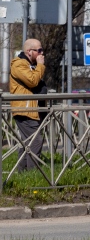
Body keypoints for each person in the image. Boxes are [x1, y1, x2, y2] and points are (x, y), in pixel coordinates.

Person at [9, 38, 47, 172]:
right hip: (24, 109)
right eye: (39, 50)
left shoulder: (31, 65)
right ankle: (34, 174)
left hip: (32, 109)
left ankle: (23, 173)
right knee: (35, 142)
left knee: (27, 143)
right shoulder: (19, 65)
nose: (42, 53)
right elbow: (32, 81)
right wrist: (40, 66)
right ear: (29, 51)